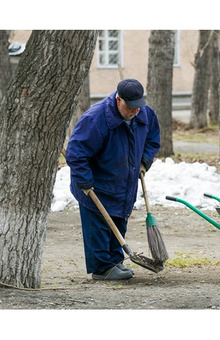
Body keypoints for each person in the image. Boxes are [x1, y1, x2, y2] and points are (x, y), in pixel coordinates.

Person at [65, 78, 160, 280]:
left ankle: (115, 262)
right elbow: (76, 152)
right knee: (98, 225)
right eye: (130, 107)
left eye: (138, 107)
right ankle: (102, 269)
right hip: (95, 183)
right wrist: (84, 180)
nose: (135, 112)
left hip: (125, 181)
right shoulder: (96, 118)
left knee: (119, 221)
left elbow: (153, 138)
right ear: (119, 100)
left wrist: (145, 161)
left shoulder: (145, 113)